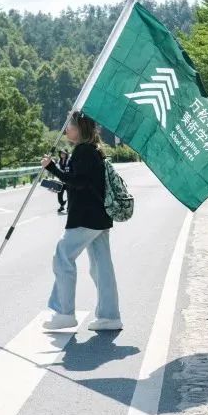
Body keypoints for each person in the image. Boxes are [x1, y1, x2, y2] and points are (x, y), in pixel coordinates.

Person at [40, 112, 122, 331]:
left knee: (63, 257)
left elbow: (79, 181)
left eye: (70, 125)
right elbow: (83, 182)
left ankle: (64, 312)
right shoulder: (93, 150)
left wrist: (52, 168)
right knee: (101, 268)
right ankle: (109, 317)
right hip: (99, 216)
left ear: (80, 128)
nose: (66, 129)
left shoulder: (83, 150)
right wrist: (61, 182)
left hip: (85, 216)